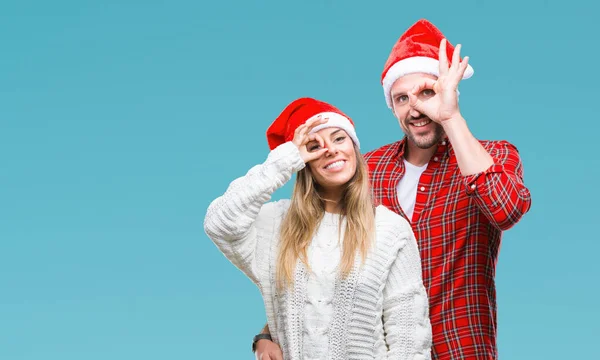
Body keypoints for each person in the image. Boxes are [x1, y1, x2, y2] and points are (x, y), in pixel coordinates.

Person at [254, 19, 532, 360]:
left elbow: (506, 210)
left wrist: (450, 117)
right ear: (392, 106)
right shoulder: (367, 169)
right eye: (402, 98)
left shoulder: (494, 155)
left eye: (427, 93)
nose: (415, 107)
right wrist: (268, 331)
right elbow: (316, 252)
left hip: (461, 347)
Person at [204, 97, 432, 360]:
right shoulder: (277, 224)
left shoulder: (390, 230)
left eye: (339, 139)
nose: (330, 150)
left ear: (354, 148)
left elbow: (409, 339)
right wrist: (285, 160)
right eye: (314, 146)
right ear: (303, 161)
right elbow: (219, 223)